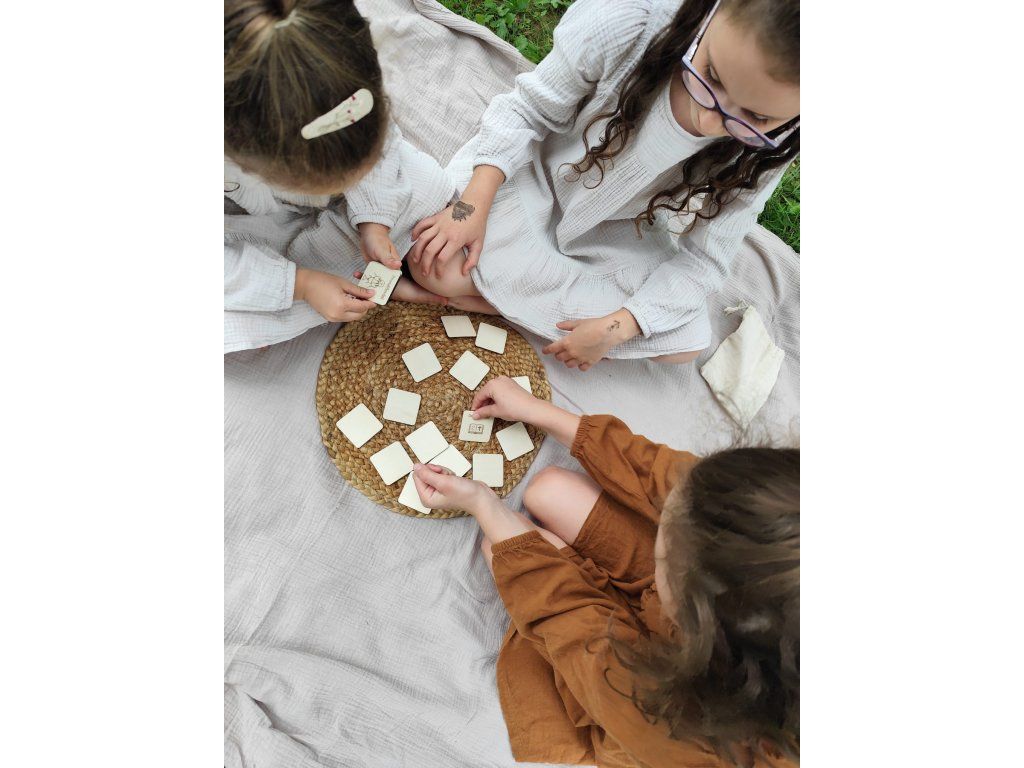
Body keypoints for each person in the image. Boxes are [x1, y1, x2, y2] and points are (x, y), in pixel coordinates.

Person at [412, 376, 799, 766]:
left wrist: (483, 504)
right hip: (690, 624)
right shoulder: (785, 525)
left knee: (500, 549)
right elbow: (669, 475)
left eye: (666, 550)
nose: (666, 510)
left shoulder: (670, 729)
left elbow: (571, 626)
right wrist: (538, 411)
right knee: (548, 490)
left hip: (628, 686)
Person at [408, 0, 799, 369]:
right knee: (433, 262)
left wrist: (619, 327)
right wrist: (470, 207)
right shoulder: (630, 23)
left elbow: (706, 260)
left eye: (757, 118)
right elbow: (527, 110)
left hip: (619, 235)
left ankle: (503, 302)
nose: (709, 122)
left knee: (685, 345)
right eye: (711, 76)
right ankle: (516, 307)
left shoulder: (770, 152)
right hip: (534, 179)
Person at [224, 0, 454, 353]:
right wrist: (300, 285)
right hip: (241, 221)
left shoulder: (340, 71)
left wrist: (374, 222)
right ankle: (325, 280)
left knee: (429, 185)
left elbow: (380, 142)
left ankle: (358, 272)